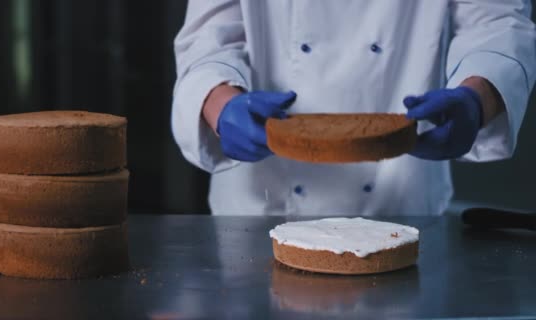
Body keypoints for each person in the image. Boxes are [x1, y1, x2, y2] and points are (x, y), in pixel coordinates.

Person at [171, 1, 536, 216]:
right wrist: (222, 105)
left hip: (399, 203)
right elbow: (209, 40)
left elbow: (497, 23)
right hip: (261, 212)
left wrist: (476, 97)